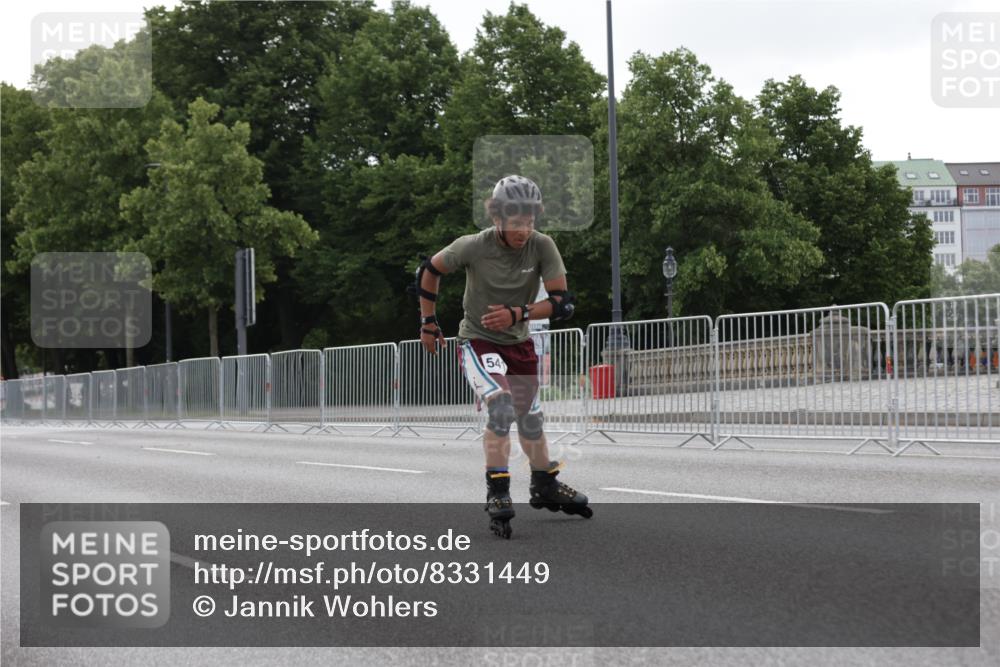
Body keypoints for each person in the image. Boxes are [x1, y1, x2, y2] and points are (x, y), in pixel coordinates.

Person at [414, 175, 591, 539]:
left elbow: (563, 303)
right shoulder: (473, 246)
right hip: (480, 341)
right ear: (496, 217)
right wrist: (429, 322)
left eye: (529, 221)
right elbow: (428, 271)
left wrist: (518, 313)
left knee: (531, 421)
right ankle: (497, 491)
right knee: (502, 406)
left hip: (519, 341)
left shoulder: (543, 246)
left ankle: (544, 484)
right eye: (515, 222)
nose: (523, 230)